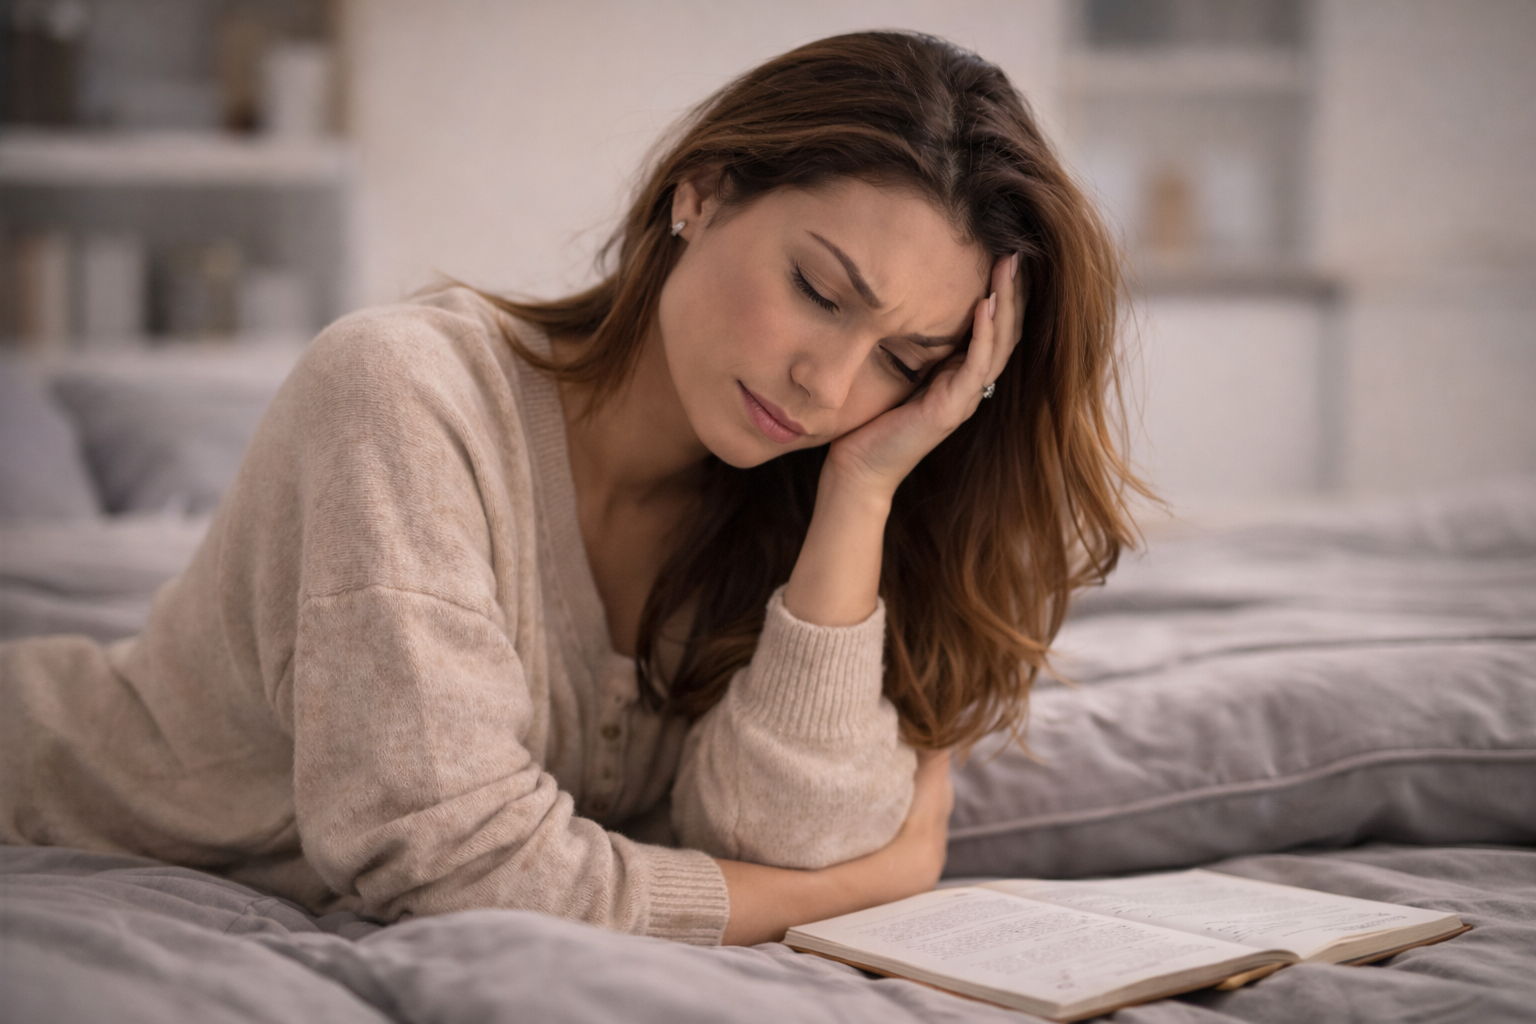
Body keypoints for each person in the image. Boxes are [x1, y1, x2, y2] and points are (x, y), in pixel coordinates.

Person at [0, 31, 1139, 947]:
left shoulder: (798, 486)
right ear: (703, 188)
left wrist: (863, 487)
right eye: (819, 289)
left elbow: (788, 834)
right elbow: (452, 869)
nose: (831, 382)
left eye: (907, 360)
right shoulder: (403, 392)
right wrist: (873, 884)